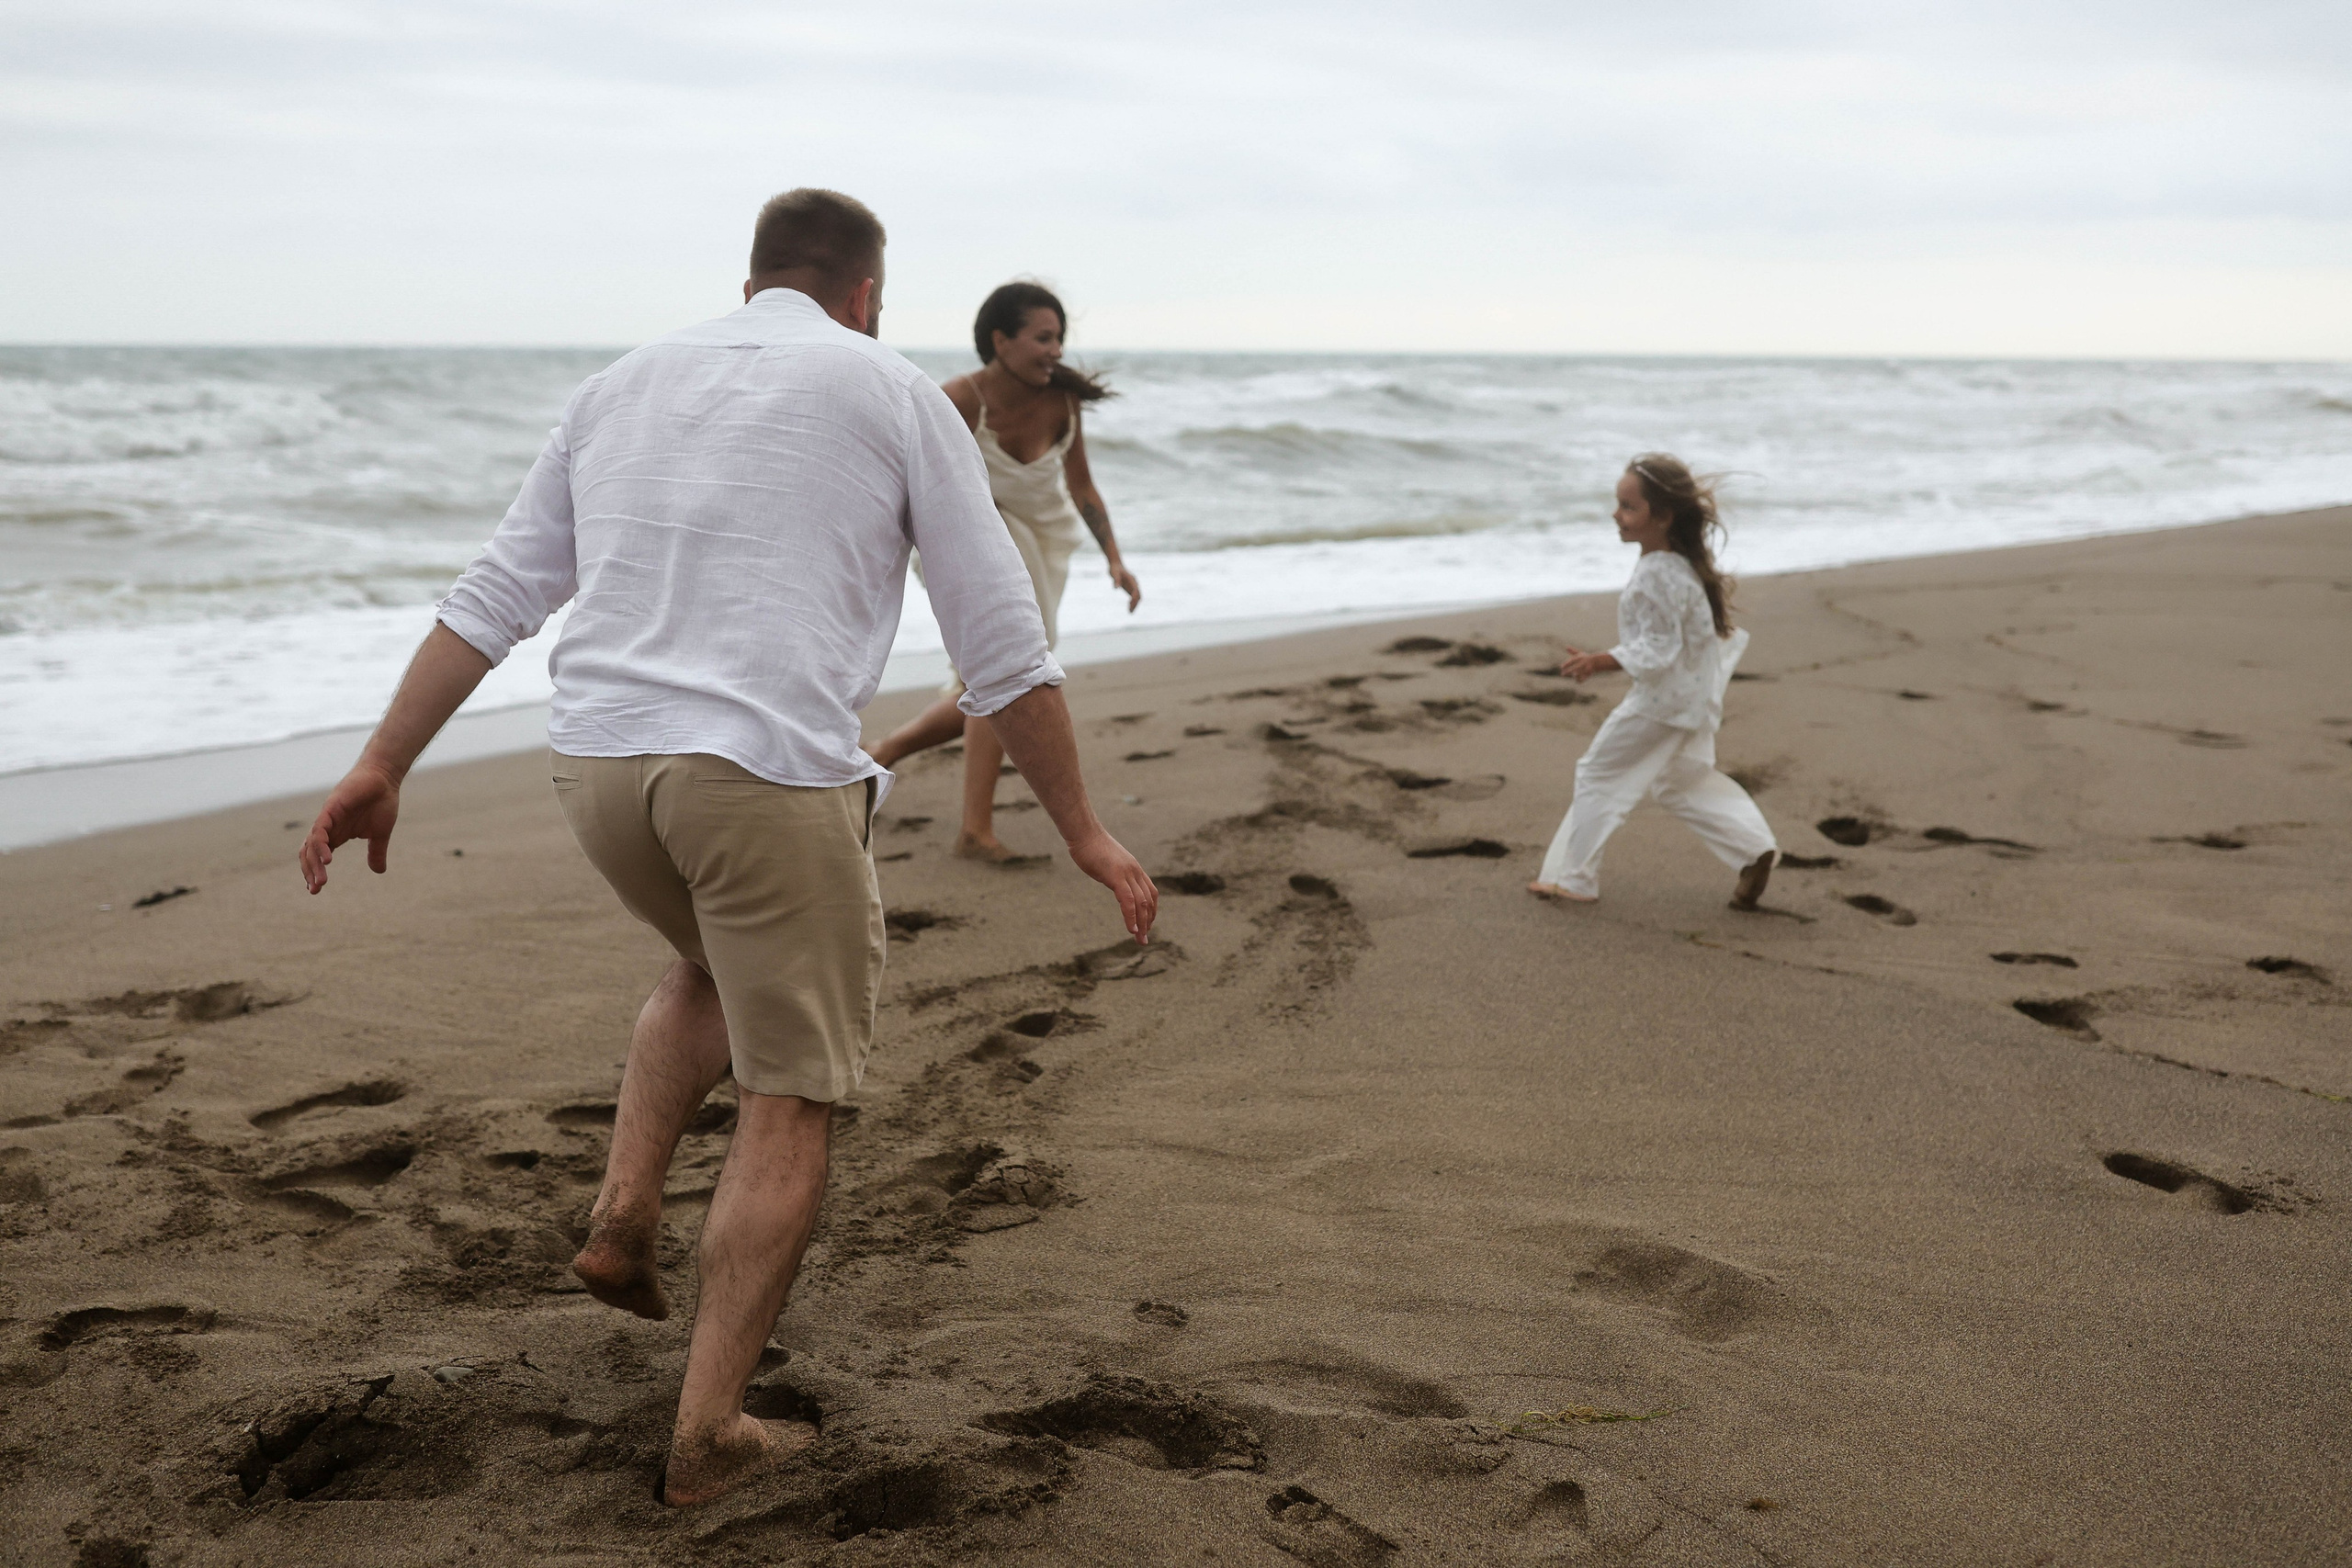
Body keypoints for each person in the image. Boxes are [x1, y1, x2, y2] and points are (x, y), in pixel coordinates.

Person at [296, 189, 1158, 1507]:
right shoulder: (893, 388)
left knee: (704, 963)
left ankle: (625, 1217)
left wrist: (381, 761)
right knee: (790, 1092)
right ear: (870, 292)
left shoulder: (622, 382)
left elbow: (498, 595)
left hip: (598, 768)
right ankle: (710, 1428)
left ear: (753, 277)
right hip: (758, 776)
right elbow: (1002, 646)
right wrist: (1088, 832)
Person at [865, 282, 1141, 862]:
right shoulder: (960, 399)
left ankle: (884, 752)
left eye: (1059, 338)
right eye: (1043, 338)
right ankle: (974, 831)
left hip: (1044, 544)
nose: (1056, 350)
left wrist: (1115, 558)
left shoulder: (1061, 402)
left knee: (987, 683)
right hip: (972, 544)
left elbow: (1081, 485)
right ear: (1001, 340)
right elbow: (905, 484)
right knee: (1012, 670)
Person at [1527, 454, 1779, 910]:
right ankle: (1751, 849)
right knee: (1680, 782)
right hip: (1694, 698)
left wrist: (1601, 661)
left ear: (1663, 517)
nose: (1616, 515)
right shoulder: (1681, 565)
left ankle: (1576, 879)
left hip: (1662, 702)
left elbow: (1659, 646)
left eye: (1629, 507)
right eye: (1618, 504)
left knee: (1599, 773)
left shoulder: (1657, 574)